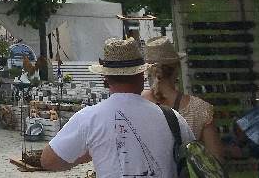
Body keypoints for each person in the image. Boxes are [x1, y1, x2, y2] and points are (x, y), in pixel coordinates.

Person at [41, 37, 194, 178]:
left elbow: (48, 160)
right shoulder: (173, 118)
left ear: (106, 78)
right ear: (141, 75)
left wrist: (87, 155)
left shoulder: (89, 118)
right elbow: (195, 158)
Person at [141, 36, 224, 161]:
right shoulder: (200, 109)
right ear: (177, 68)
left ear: (148, 71)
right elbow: (217, 160)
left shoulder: (138, 103)